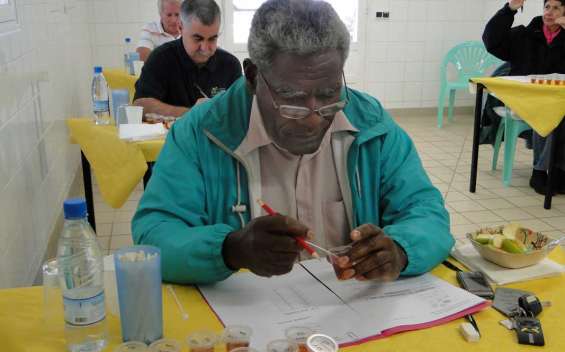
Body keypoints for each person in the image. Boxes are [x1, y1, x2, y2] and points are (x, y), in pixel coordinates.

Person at [132, 0, 454, 285]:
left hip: (357, 323)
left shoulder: (372, 126)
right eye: (292, 98)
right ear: (253, 76)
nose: (314, 117)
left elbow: (427, 212)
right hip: (246, 334)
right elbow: (154, 235)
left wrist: (398, 250)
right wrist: (230, 249)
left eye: (329, 94)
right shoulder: (199, 134)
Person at [483, 0, 565, 195]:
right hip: (524, 101)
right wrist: (509, 9)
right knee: (550, 114)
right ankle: (540, 172)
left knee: (558, 113)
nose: (550, 12)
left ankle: (559, 172)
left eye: (556, 8)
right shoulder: (524, 35)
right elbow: (491, 40)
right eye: (547, 7)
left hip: (558, 100)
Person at [133, 0, 242, 118]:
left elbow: (242, 110)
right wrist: (192, 114)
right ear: (180, 28)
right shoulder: (160, 58)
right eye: (197, 39)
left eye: (212, 39)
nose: (205, 48)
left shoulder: (230, 65)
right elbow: (140, 105)